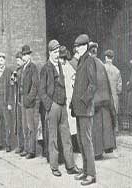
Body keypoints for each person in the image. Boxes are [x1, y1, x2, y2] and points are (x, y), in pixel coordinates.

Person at [40, 40, 81, 177]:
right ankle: (54, 166)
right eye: (55, 52)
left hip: (63, 105)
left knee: (66, 136)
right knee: (53, 138)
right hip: (53, 106)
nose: (57, 55)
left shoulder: (60, 66)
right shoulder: (46, 68)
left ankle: (70, 166)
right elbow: (42, 91)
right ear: (50, 53)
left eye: (58, 52)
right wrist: (49, 105)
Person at [70, 34, 96, 185]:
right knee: (81, 141)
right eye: (76, 47)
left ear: (85, 46)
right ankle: (85, 171)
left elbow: (93, 85)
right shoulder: (81, 61)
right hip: (79, 109)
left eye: (79, 46)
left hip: (85, 109)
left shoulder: (89, 61)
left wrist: (83, 101)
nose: (77, 49)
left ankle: (91, 174)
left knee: (86, 141)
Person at [89, 42, 117, 160]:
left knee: (95, 127)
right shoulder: (101, 64)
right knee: (102, 126)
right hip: (104, 100)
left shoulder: (89, 63)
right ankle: (101, 150)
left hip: (94, 101)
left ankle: (96, 152)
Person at [19, 45, 40, 159]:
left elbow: (35, 85)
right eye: (23, 54)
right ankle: (26, 149)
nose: (24, 56)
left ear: (29, 55)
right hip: (23, 100)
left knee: (31, 126)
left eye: (26, 54)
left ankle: (32, 151)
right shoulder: (23, 68)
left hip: (29, 101)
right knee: (24, 126)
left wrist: (29, 98)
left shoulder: (33, 67)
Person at [0, 52, 14, 152]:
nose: (0, 62)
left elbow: (12, 88)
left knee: (7, 123)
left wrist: (10, 103)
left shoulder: (9, 72)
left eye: (1, 60)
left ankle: (8, 144)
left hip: (5, 101)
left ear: (5, 61)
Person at [104, 49, 122, 132]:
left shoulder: (102, 68)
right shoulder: (117, 71)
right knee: (114, 114)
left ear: (105, 57)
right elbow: (119, 88)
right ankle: (115, 129)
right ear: (113, 58)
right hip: (114, 97)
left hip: (104, 96)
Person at [13, 51, 25, 154]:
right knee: (18, 124)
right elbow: (12, 83)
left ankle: (24, 146)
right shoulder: (17, 70)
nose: (17, 62)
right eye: (16, 60)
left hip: (22, 101)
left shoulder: (23, 70)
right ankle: (20, 145)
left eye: (18, 60)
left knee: (23, 124)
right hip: (17, 101)